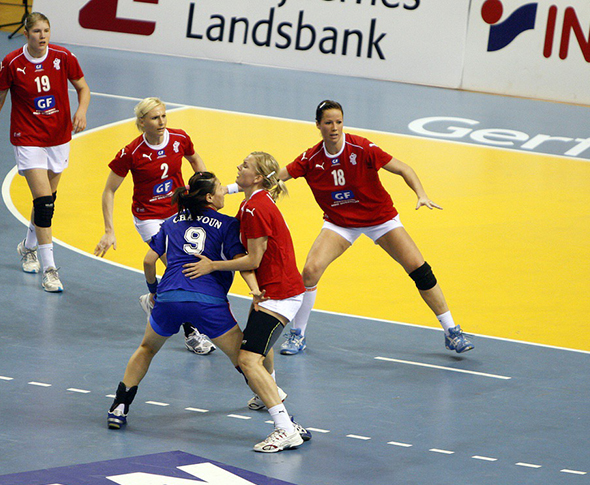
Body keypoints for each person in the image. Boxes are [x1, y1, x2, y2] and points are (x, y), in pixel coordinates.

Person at [106, 171, 309, 453]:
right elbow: (244, 262)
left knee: (146, 349)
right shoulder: (228, 224)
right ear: (210, 197)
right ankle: (286, 422)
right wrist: (254, 290)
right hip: (208, 303)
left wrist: (153, 290)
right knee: (246, 362)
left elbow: (149, 260)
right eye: (220, 189)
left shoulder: (170, 222)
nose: (226, 191)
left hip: (170, 297)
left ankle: (119, 406)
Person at [277, 100, 474, 355]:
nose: (334, 127)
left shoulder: (361, 147)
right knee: (311, 270)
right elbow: (278, 177)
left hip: (379, 219)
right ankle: (297, 335)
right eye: (328, 122)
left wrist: (421, 194)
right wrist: (241, 188)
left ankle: (451, 331)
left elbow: (403, 168)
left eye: (338, 121)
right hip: (341, 223)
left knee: (419, 269)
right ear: (318, 125)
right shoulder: (311, 158)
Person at [183, 152, 307, 453]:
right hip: (272, 290)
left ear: (259, 177)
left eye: (246, 166)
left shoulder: (256, 207)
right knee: (261, 352)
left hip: (279, 293)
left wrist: (211, 266)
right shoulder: (254, 202)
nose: (239, 168)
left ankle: (285, 428)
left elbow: (253, 258)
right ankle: (269, 396)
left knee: (248, 360)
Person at [94, 97, 215, 355]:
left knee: (193, 264)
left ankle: (153, 299)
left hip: (178, 212)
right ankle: (191, 333)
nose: (161, 122)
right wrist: (109, 230)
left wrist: (203, 190)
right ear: (141, 122)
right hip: (148, 217)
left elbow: (196, 161)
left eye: (163, 116)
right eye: (154, 118)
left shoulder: (180, 138)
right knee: (178, 267)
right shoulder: (131, 152)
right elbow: (109, 190)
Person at [0, 12, 90, 292]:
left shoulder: (63, 57)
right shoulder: (12, 62)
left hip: (59, 137)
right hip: (27, 138)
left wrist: (81, 111)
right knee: (44, 204)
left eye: (46, 30)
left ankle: (27, 247)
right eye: (37, 31)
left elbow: (83, 88)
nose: (42, 36)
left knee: (49, 199)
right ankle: (50, 269)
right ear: (26, 34)